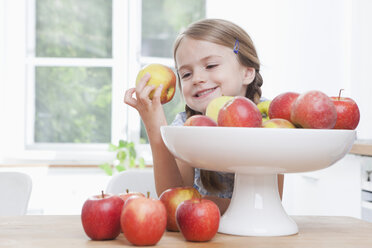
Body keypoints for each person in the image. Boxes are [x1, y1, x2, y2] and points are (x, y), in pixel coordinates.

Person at [124, 18, 283, 214]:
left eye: (210, 66)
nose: (198, 78)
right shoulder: (186, 125)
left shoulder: (268, 121)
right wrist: (154, 125)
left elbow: (266, 207)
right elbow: (173, 196)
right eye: (186, 74)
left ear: (247, 73)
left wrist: (205, 202)